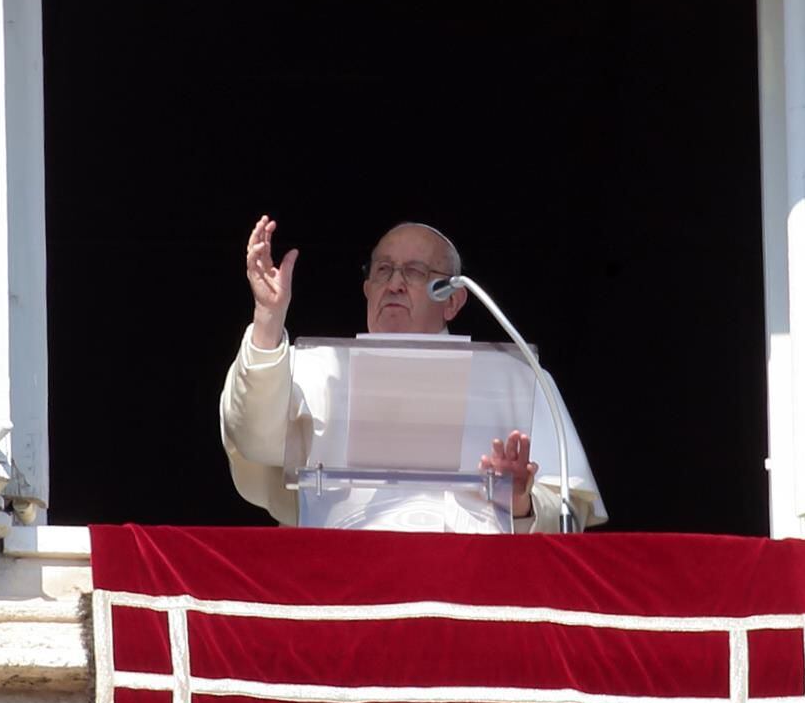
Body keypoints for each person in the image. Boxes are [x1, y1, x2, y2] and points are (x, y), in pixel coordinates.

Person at [219, 216, 605, 532]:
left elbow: (567, 510)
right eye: (384, 270)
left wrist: (520, 500)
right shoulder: (316, 367)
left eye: (416, 272)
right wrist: (269, 319)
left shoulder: (516, 377)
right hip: (344, 573)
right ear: (368, 287)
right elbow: (253, 440)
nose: (395, 283)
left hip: (471, 578)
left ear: (453, 299)